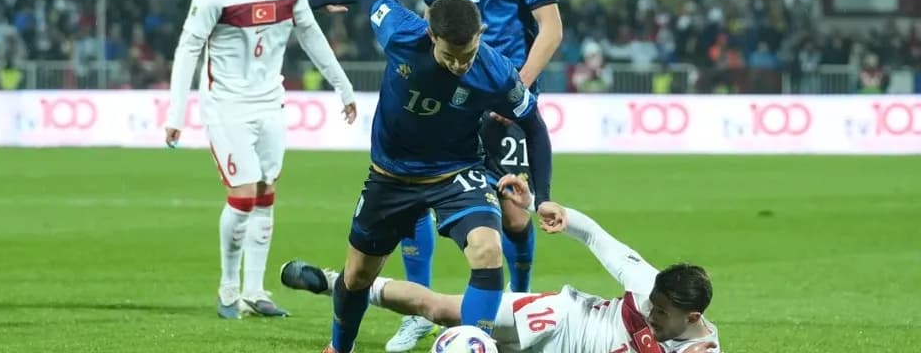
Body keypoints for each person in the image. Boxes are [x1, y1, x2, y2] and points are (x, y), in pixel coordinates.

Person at [304, 0, 565, 353]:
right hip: (391, 176)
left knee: (487, 250)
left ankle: (474, 344)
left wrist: (545, 197)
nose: (460, 64)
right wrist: (316, 0)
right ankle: (339, 346)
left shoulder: (496, 72)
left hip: (456, 172)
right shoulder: (400, 32)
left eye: (468, 54)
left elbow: (535, 127)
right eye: (450, 56)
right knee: (358, 275)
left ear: (481, 34)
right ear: (430, 35)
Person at [392, 0, 565, 347]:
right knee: (414, 192)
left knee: (513, 215)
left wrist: (518, 89)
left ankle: (522, 305)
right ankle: (418, 312)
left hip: (502, 96)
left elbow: (551, 28)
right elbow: (436, 25)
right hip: (452, 98)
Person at [163, 0, 357, 320]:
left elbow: (310, 34)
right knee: (244, 194)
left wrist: (343, 86)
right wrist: (176, 111)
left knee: (266, 193)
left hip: (270, 102)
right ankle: (229, 289)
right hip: (226, 106)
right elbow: (188, 50)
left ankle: (255, 291)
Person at [281, 174, 722, 353]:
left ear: (694, 317)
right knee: (441, 309)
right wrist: (544, 208)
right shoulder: (649, 285)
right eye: (653, 305)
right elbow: (595, 236)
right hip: (561, 318)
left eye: (662, 314)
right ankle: (335, 281)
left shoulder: (703, 350)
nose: (652, 312)